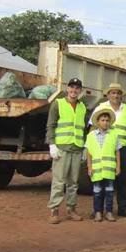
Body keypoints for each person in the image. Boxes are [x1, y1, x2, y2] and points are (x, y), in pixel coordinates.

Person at [88, 82, 126, 218]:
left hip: (122, 149)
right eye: (113, 93)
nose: (115, 95)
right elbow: (92, 127)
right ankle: (99, 210)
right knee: (102, 179)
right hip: (103, 149)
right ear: (108, 95)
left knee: (122, 180)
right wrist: (91, 147)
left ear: (121, 96)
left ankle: (122, 208)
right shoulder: (100, 107)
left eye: (118, 93)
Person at [46, 77, 86, 224]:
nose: (74, 90)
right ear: (67, 89)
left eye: (77, 88)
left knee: (73, 182)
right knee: (58, 181)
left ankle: (71, 209)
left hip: (76, 148)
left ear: (80, 91)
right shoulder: (58, 104)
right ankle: (54, 210)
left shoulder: (82, 107)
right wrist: (52, 144)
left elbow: (83, 129)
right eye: (72, 87)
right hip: (61, 148)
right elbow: (50, 125)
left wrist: (84, 148)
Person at [86, 108, 121, 222]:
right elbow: (89, 153)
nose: (105, 122)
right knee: (97, 191)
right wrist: (89, 167)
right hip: (96, 169)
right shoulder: (91, 135)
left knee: (109, 191)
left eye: (107, 120)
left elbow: (117, 152)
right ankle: (98, 212)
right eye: (103, 120)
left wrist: (118, 166)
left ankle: (109, 212)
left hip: (109, 169)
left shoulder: (114, 134)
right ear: (98, 122)